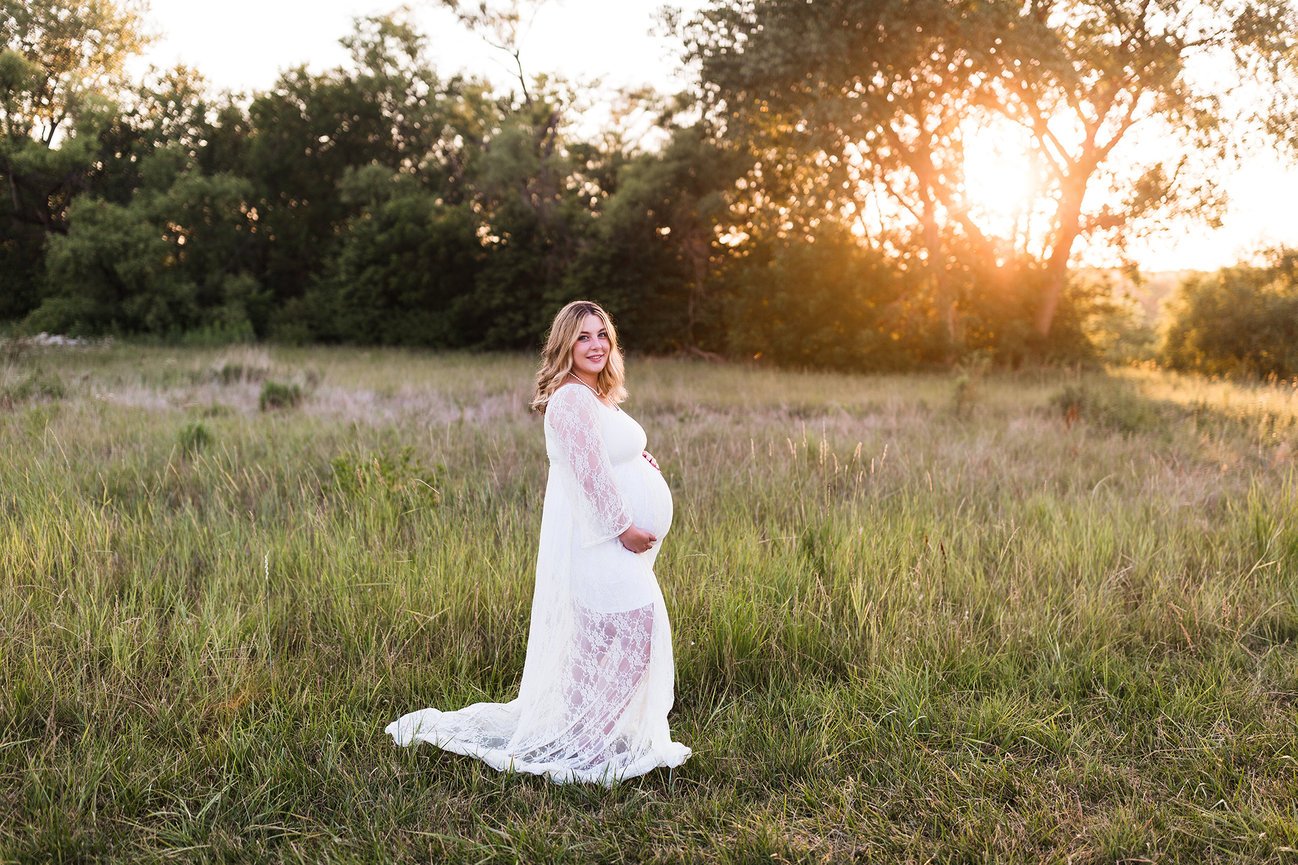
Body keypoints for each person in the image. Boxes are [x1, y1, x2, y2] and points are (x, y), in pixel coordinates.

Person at [385, 300, 691, 784]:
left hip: (607, 544)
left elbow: (602, 451)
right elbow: (588, 476)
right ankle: (587, 745)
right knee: (631, 632)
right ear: (565, 344)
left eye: (602, 334)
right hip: (598, 543)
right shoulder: (570, 398)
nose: (595, 345)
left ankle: (588, 736)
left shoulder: (595, 396)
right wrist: (626, 528)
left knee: (604, 638)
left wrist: (639, 458)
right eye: (583, 336)